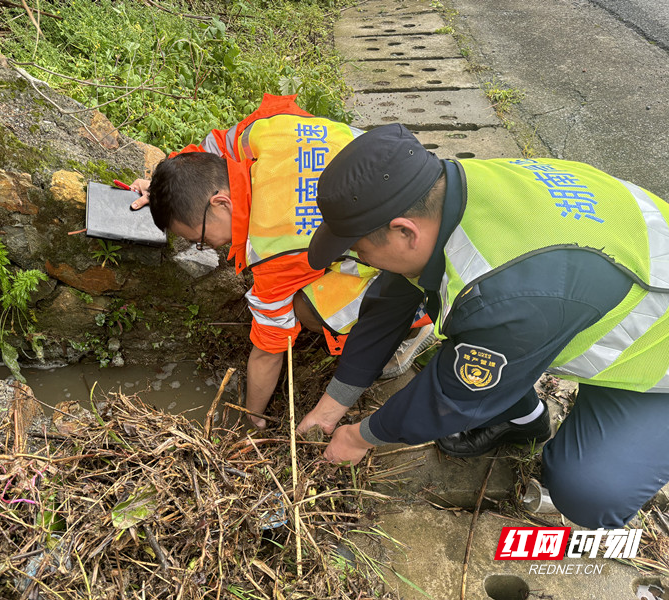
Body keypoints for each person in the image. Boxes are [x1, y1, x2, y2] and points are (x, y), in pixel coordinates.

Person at [298, 122, 669, 529]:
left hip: (652, 364)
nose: (361, 260)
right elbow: (393, 297)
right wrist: (333, 404)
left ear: (405, 232)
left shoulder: (507, 294)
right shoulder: (454, 188)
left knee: (590, 491)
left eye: (361, 250)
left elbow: (453, 395)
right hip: (596, 293)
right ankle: (522, 419)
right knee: (483, 348)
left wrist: (359, 437)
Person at [129, 95, 432, 428]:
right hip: (411, 170)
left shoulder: (274, 247)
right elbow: (213, 147)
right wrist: (163, 184)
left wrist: (252, 419)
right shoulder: (263, 131)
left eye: (200, 238)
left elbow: (268, 351)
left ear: (221, 203)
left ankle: (411, 324)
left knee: (305, 309)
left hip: (414, 251)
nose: (205, 245)